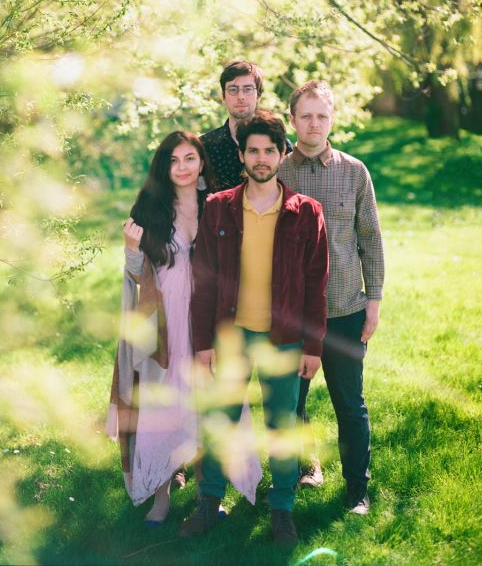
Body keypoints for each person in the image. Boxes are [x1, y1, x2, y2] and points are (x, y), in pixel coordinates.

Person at [180, 111, 328, 547]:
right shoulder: (219, 206)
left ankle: (281, 510)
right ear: (241, 155)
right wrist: (202, 343)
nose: (261, 158)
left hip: (283, 338)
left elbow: (315, 285)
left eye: (269, 150)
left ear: (283, 154)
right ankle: (209, 504)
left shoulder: (306, 213)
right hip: (230, 334)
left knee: (282, 425)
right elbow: (203, 279)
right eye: (253, 151)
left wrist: (313, 345)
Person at [106, 131, 260, 526]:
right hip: (169, 324)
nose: (182, 168)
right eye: (174, 161)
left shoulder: (220, 206)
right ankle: (161, 496)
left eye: (190, 158)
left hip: (210, 319)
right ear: (164, 166)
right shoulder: (151, 209)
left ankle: (212, 496)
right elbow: (139, 277)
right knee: (166, 406)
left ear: (202, 162)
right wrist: (130, 249)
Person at [279, 80, 385, 515]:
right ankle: (307, 467)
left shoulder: (355, 171)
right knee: (291, 401)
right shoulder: (277, 172)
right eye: (306, 115)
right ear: (293, 120)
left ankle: (357, 489)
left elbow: (370, 238)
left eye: (322, 115)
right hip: (293, 313)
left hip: (344, 308)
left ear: (332, 119)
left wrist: (373, 299)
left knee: (349, 403)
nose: (314, 123)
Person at [200, 59, 291, 192]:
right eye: (233, 89)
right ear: (223, 96)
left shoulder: (280, 144)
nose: (241, 96)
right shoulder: (204, 147)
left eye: (248, 89)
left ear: (258, 95)